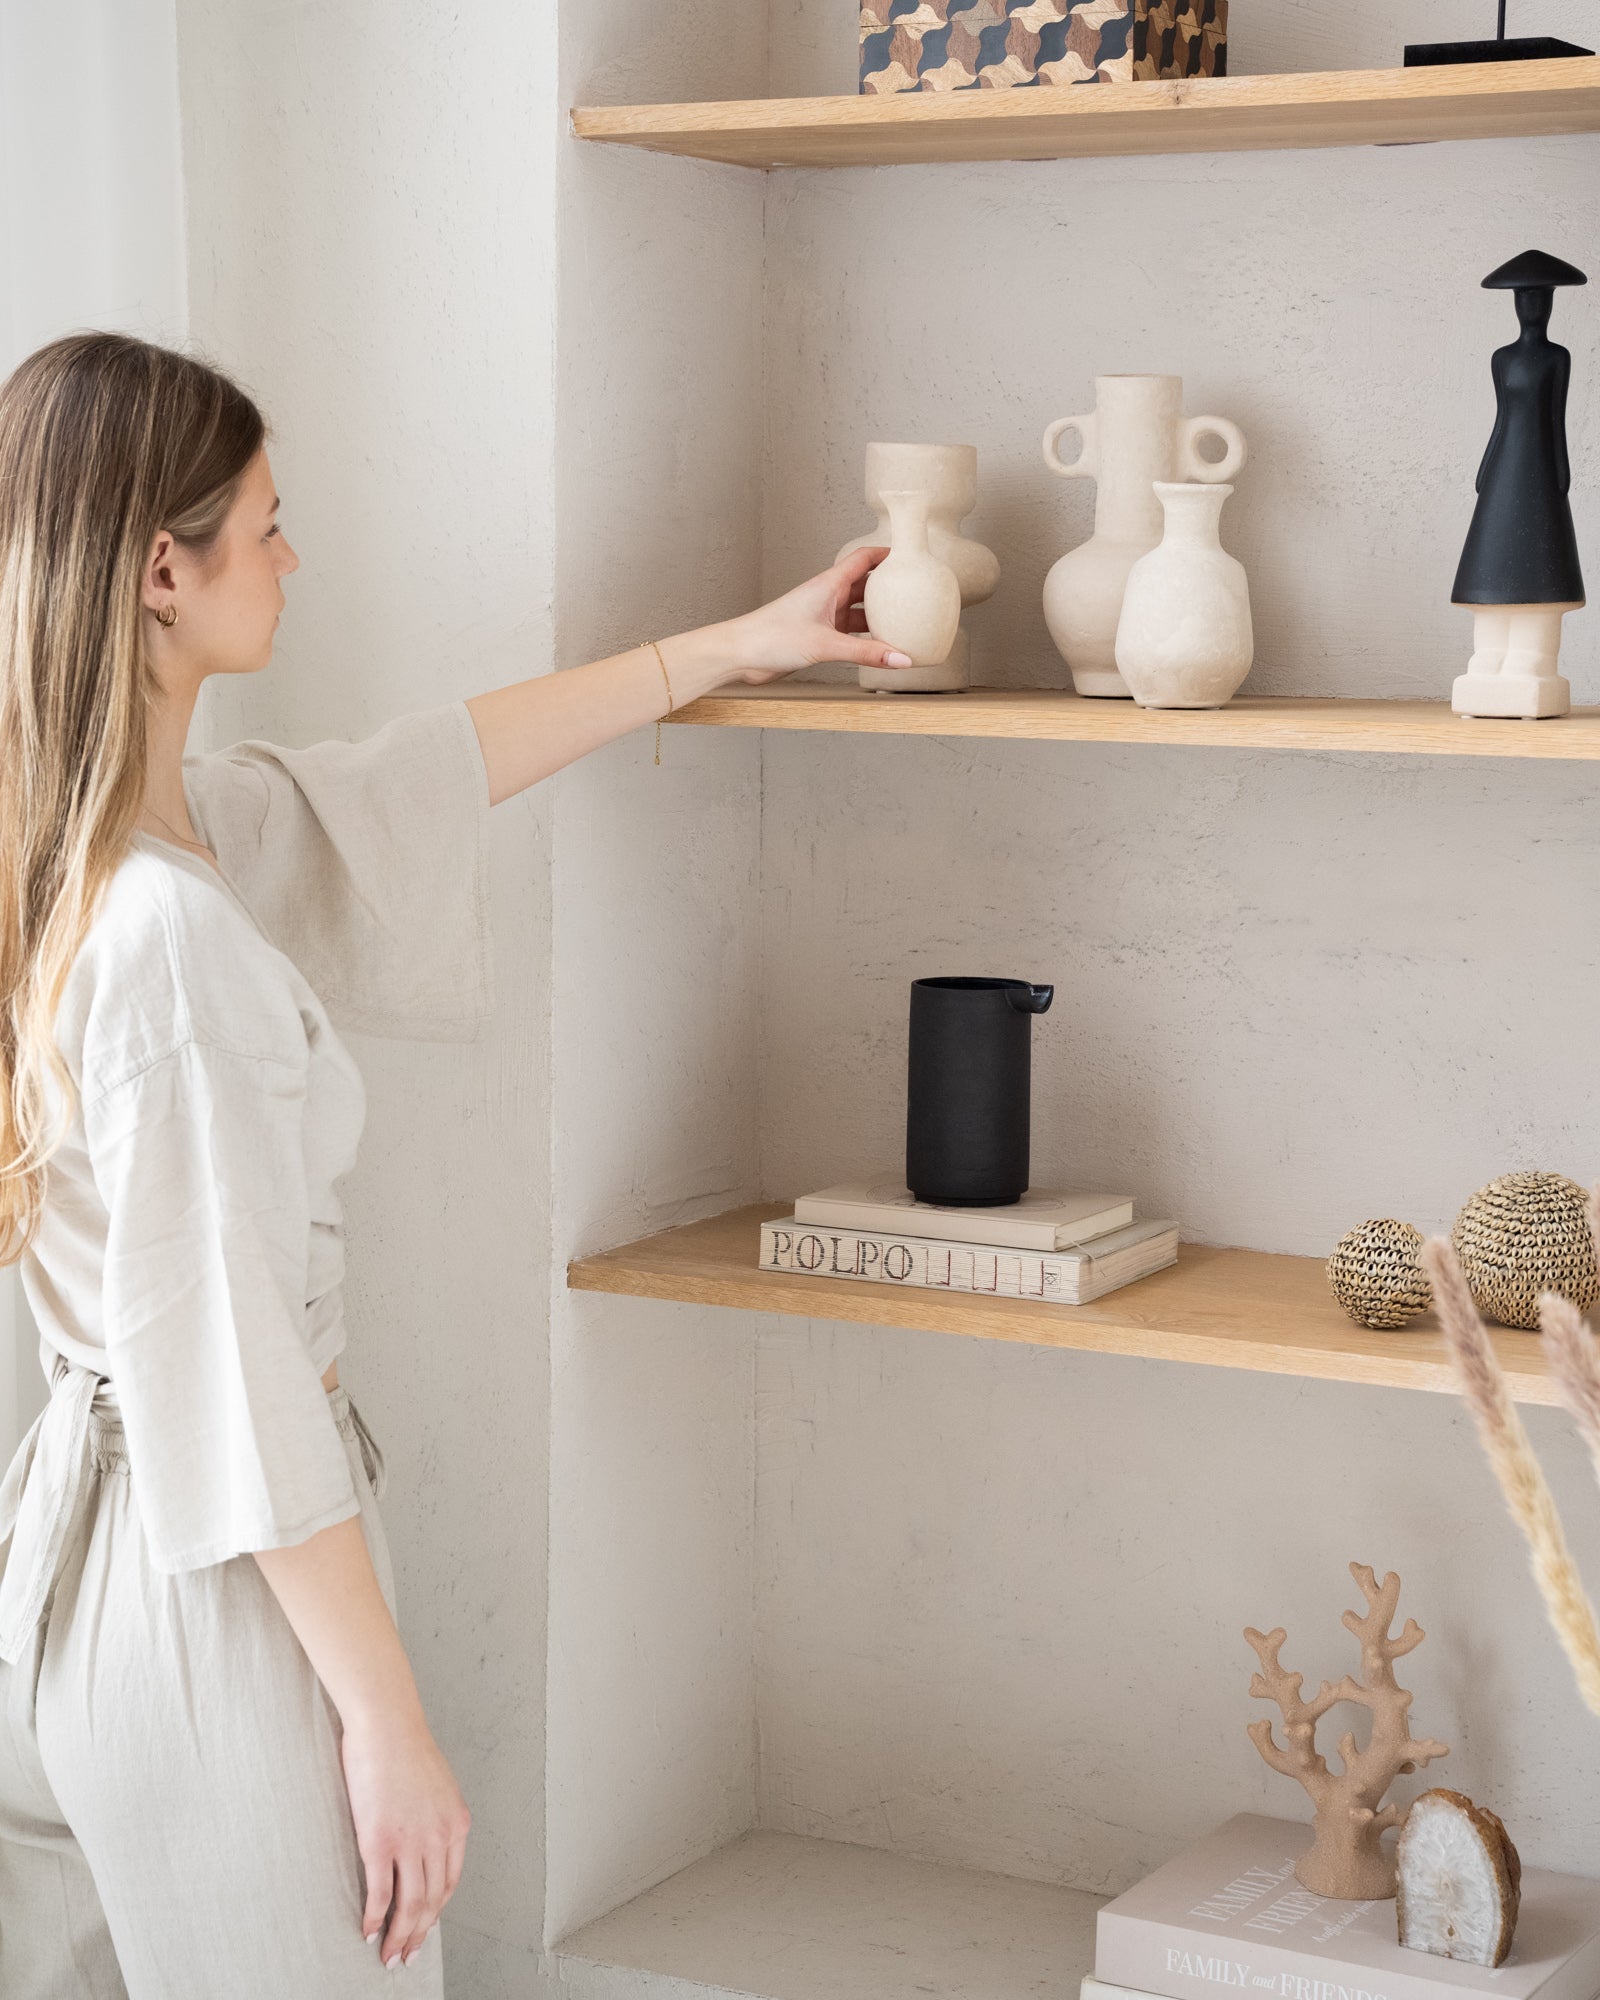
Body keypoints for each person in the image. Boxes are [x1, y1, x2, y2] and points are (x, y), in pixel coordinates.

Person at [0, 332, 910, 1998]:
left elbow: (413, 777)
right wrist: (387, 1721)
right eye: (267, 524)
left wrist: (739, 645)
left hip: (117, 1557)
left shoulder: (115, 853)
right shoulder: (166, 943)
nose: (292, 558)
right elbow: (239, 1376)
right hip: (218, 1580)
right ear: (159, 572)